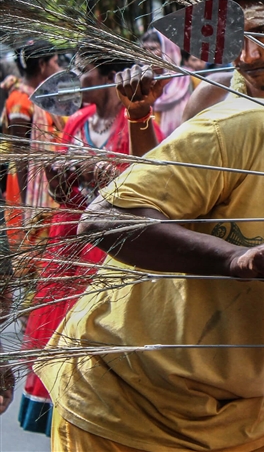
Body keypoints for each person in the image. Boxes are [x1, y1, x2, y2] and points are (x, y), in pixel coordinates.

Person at [38, 87, 264, 450]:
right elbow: (103, 220)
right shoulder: (251, 126)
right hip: (119, 401)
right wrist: (230, 257)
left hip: (243, 422)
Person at [18, 45, 164, 436]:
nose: (76, 78)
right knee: (58, 358)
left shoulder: (139, 121)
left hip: (112, 260)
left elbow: (150, 184)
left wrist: (102, 173)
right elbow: (65, 196)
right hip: (69, 259)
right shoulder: (75, 122)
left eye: (84, 71)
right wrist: (59, 178)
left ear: (107, 77)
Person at [3, 39, 65, 236]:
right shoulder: (20, 102)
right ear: (42, 65)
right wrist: (27, 209)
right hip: (28, 189)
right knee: (33, 247)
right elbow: (20, 157)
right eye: (55, 62)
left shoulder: (42, 97)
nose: (59, 67)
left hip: (48, 182)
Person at [140, 30, 194, 136]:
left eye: (152, 49)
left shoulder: (189, 78)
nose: (147, 54)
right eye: (143, 50)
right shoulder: (142, 83)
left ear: (168, 50)